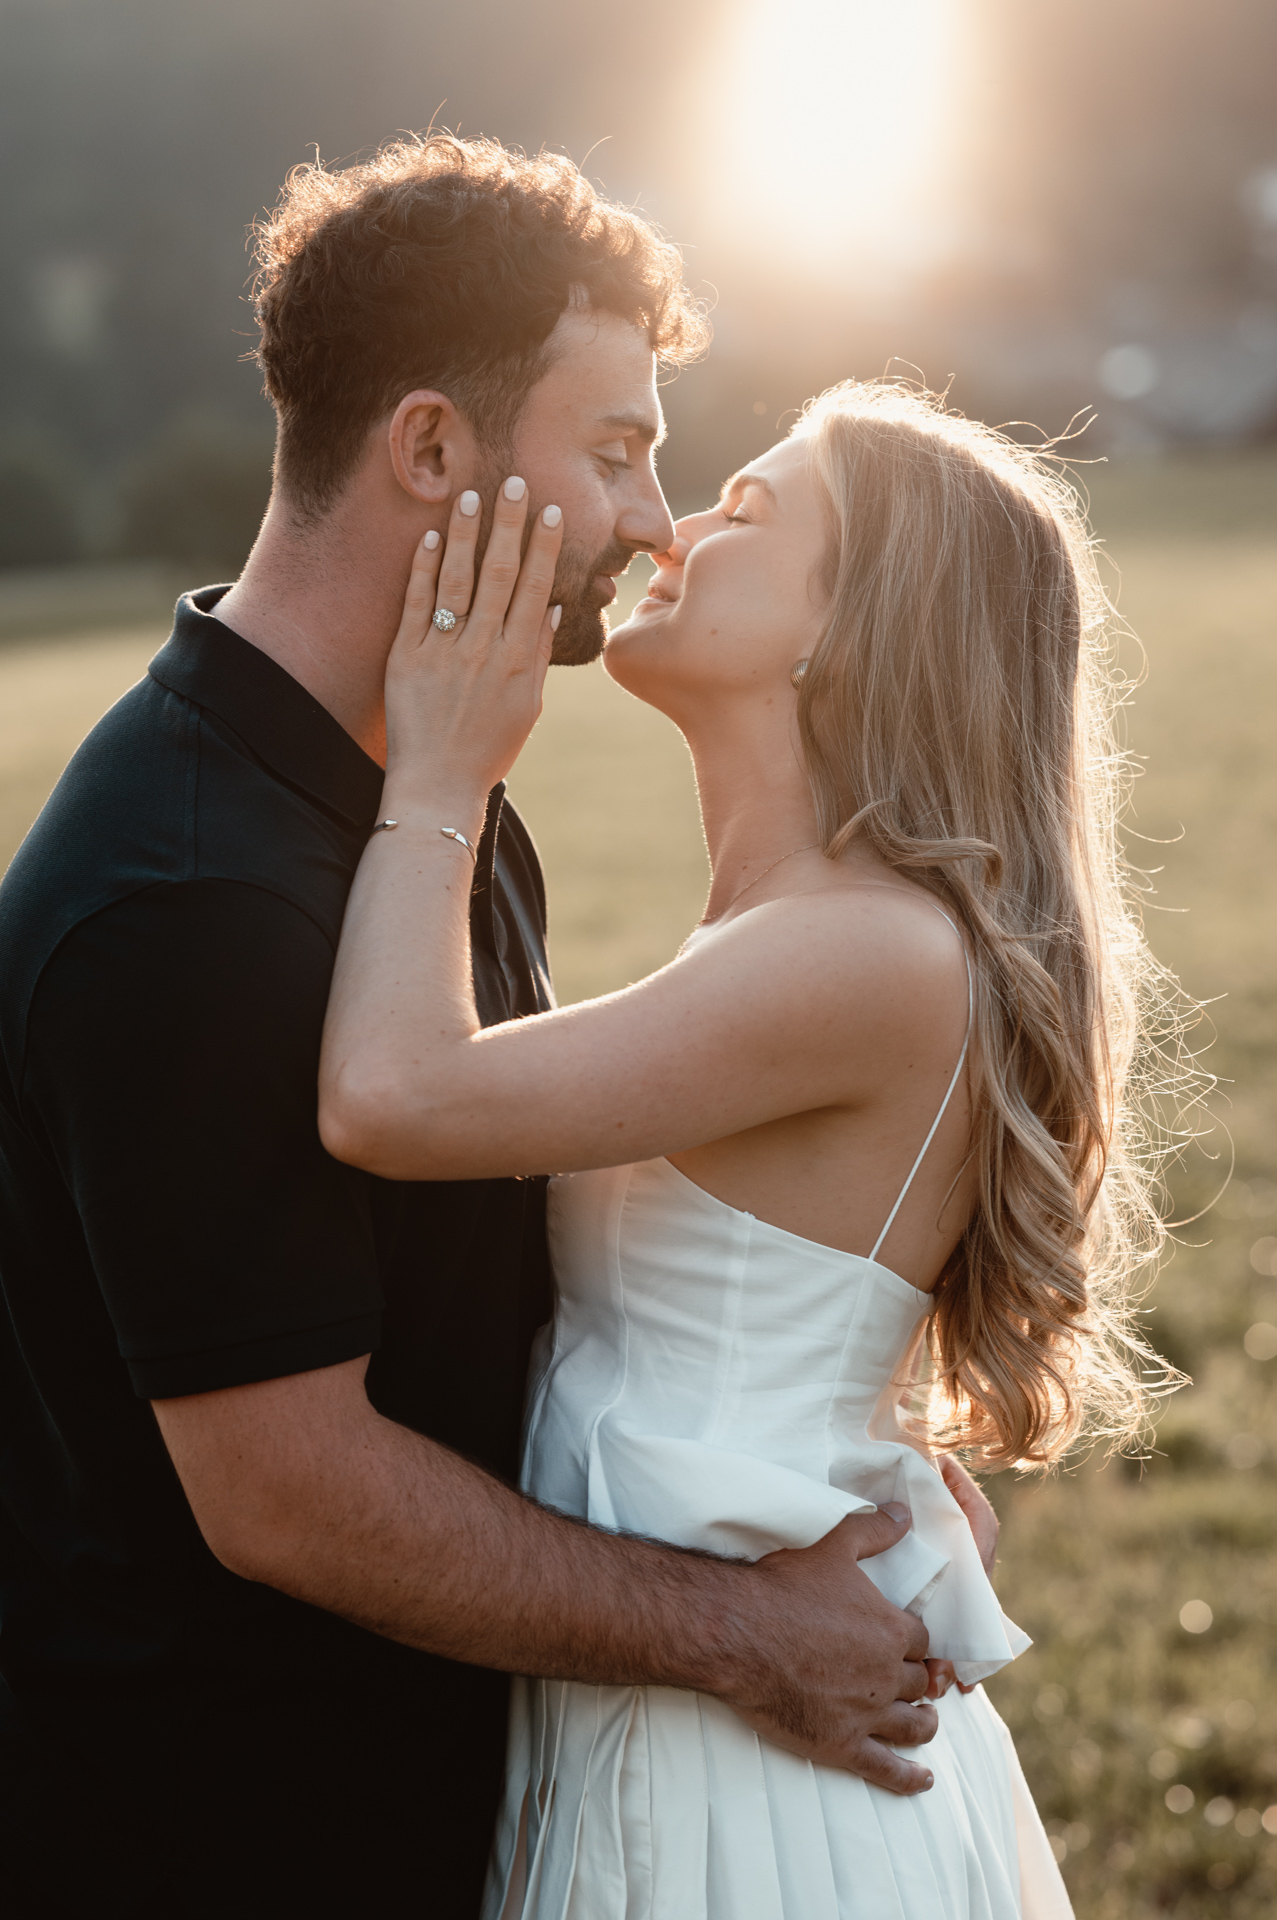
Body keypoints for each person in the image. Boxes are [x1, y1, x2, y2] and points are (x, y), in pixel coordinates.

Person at [0, 139, 945, 1919]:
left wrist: (835, 1463)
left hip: (442, 1794)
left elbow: (485, 1260)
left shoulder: (415, 789)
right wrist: (742, 1627)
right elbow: (287, 1494)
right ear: (430, 451)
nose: (655, 522)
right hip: (225, 1834)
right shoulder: (189, 900)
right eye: (614, 452)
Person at [318, 379, 1176, 1918]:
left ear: (845, 631)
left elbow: (390, 1098)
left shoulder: (858, 953)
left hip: (749, 1781)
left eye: (752, 509)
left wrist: (440, 770)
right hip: (692, 1673)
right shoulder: (799, 935)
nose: (677, 522)